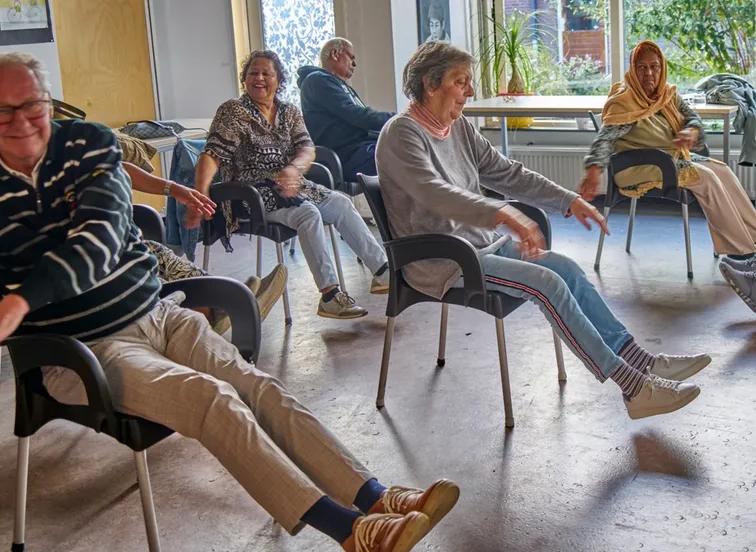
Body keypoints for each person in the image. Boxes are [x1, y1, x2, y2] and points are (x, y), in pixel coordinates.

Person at [0, 53, 460, 551]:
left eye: (33, 105)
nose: (22, 121)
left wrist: (18, 301)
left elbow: (101, 236)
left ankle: (375, 496)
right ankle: (354, 533)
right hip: (82, 351)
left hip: (157, 313)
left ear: (49, 100)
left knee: (259, 387)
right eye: (2, 111)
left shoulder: (87, 144)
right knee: (214, 400)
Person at [376, 41, 711, 421]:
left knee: (566, 268)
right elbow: (434, 193)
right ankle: (633, 389)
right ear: (429, 84)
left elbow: (506, 173)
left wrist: (569, 200)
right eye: (461, 81)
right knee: (546, 284)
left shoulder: (458, 128)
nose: (470, 91)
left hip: (481, 247)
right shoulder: (401, 134)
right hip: (443, 259)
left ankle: (640, 360)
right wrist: (503, 213)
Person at [195, 50, 390, 320]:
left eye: (267, 73)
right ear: (245, 79)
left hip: (296, 186)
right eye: (253, 73)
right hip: (252, 194)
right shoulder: (234, 111)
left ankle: (382, 272)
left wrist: (294, 169)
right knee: (308, 214)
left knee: (341, 203)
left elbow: (307, 148)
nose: (259, 78)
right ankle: (330, 296)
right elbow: (212, 155)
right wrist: (200, 195)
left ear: (279, 80)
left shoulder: (288, 112)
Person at [580, 41, 756, 261]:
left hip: (669, 159)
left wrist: (691, 131)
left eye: (654, 67)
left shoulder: (668, 94)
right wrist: (594, 169)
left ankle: (754, 238)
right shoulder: (624, 101)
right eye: (641, 67)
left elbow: (692, 117)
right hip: (639, 165)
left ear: (662, 68)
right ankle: (743, 252)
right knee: (708, 178)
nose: (649, 74)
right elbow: (605, 138)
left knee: (723, 172)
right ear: (632, 70)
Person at [122, 161, 287, 334]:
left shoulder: (100, 154)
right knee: (143, 265)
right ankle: (223, 309)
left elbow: (115, 166)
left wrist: (175, 189)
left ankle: (219, 307)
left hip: (125, 240)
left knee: (156, 253)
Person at [297, 38, 395, 182]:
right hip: (347, 155)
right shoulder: (318, 80)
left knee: (412, 149)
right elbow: (358, 117)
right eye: (351, 57)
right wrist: (399, 119)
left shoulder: (337, 85)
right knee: (405, 157)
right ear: (335, 54)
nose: (354, 64)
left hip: (360, 149)